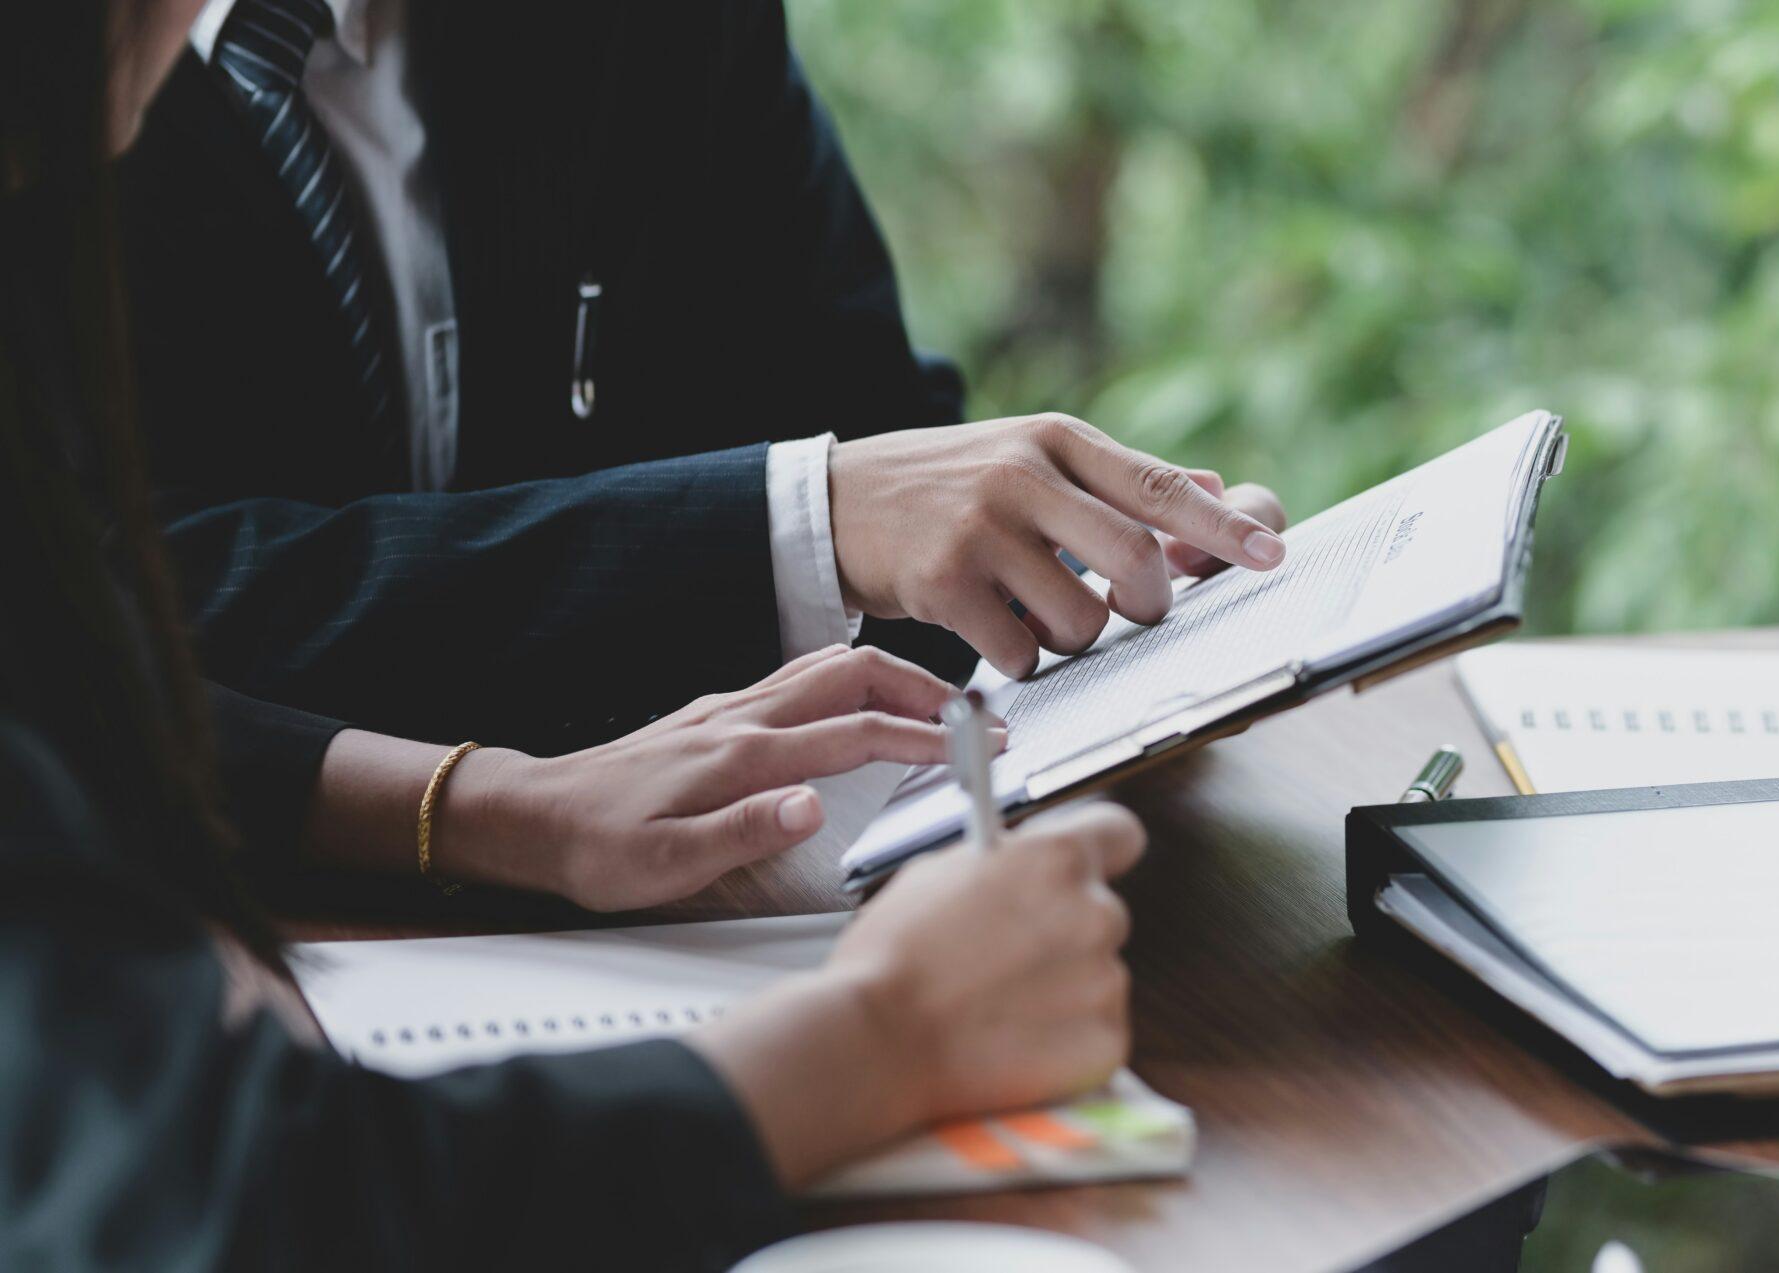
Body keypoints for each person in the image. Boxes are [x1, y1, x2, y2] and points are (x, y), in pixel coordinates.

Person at [2, 3, 1146, 1265]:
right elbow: (240, 1204)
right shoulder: (76, 140)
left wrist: (1114, 611)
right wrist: (881, 1035)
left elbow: (881, 465)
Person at [116, 0, 1293, 768]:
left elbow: (868, 430)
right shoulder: (61, 87)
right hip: (181, 926)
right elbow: (129, 607)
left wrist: (1092, 584)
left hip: (680, 904)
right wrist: (792, 525)